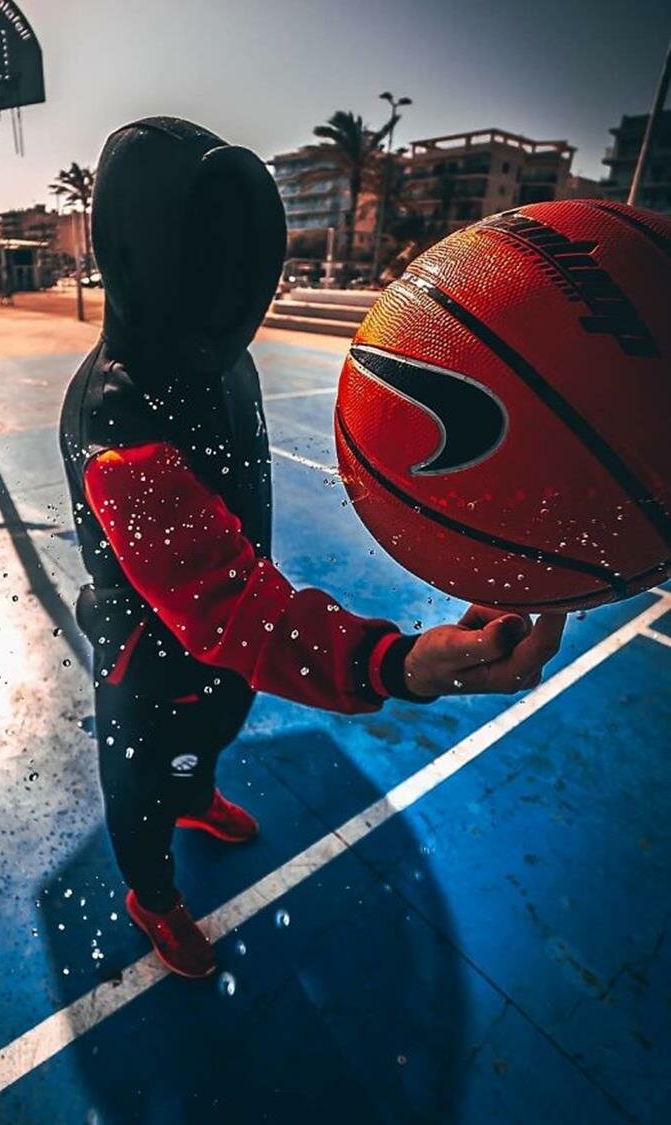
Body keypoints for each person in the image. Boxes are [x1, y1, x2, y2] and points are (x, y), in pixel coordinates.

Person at [59, 117, 565, 979]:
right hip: (149, 660)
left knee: (216, 723)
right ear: (143, 253)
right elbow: (227, 607)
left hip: (217, 656)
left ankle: (197, 791)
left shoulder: (227, 361)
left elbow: (237, 608)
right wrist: (395, 662)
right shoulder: (117, 418)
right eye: (205, 253)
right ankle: (153, 892)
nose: (231, 282)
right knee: (141, 781)